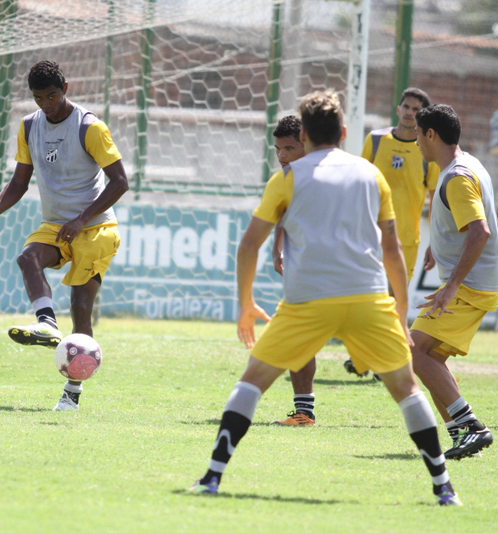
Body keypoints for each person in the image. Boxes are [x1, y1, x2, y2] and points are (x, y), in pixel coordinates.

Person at [189, 90, 460, 506]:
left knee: (252, 383)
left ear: (307, 134)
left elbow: (248, 247)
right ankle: (444, 488)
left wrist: (246, 303)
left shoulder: (287, 177)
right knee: (406, 390)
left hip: (307, 303)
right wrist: (400, 312)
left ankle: (211, 476)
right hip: (369, 300)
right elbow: (392, 250)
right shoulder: (372, 176)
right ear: (344, 132)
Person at [0, 60, 129, 411]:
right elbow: (19, 182)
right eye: (39, 98)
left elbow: (121, 182)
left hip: (97, 226)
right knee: (28, 257)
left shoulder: (89, 127)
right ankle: (47, 324)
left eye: (52, 95)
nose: (46, 104)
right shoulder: (28, 126)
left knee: (81, 309)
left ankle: (72, 394)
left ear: (65, 88)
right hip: (56, 224)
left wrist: (83, 218)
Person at [411, 104, 498, 460]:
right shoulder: (465, 164)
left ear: (430, 134)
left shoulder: (456, 177)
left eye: (419, 134)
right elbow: (466, 220)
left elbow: (479, 230)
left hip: (469, 288)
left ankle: (472, 428)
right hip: (475, 285)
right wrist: (439, 240)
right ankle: (462, 433)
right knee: (429, 356)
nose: (416, 142)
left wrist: (449, 287)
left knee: (414, 351)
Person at [344, 87, 440, 378]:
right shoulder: (375, 141)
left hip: (406, 240)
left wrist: (434, 241)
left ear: (421, 116)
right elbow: (358, 184)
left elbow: (434, 199)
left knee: (393, 299)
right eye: (406, 106)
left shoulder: (428, 152)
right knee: (368, 297)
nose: (410, 112)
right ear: (398, 108)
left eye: (416, 109)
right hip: (369, 235)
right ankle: (369, 359)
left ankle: (375, 360)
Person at [267, 116, 315, 427]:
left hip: (328, 274)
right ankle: (304, 413)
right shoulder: (285, 179)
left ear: (305, 145)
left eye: (289, 148)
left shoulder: (321, 177)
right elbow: (281, 216)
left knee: (397, 359)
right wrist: (277, 247)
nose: (282, 155)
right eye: (277, 149)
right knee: (300, 340)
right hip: (307, 272)